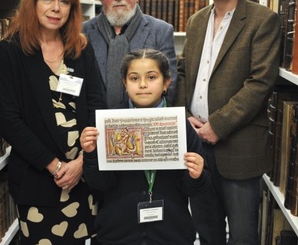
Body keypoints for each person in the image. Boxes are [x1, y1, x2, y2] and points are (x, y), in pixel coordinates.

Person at [175, 0, 281, 245]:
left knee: (243, 236)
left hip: (239, 148)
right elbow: (183, 73)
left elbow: (260, 83)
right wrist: (184, 116)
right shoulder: (196, 22)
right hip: (197, 146)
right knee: (207, 232)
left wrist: (216, 126)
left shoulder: (263, 20)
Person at [0, 0, 105, 245]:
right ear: (33, 2)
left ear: (72, 8)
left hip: (82, 181)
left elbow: (96, 106)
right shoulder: (11, 50)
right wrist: (56, 167)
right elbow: (10, 120)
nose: (56, 8)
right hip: (38, 182)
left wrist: (81, 163)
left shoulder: (80, 48)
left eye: (64, 1)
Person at [80, 49, 210, 245]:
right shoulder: (110, 122)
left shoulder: (180, 125)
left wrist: (197, 174)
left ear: (166, 82)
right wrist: (90, 154)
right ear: (124, 83)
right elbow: (101, 183)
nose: (142, 85)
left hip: (171, 234)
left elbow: (192, 188)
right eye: (134, 78)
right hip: (118, 234)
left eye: (151, 77)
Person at [82, 0, 178, 108]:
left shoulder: (161, 31)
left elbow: (169, 87)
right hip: (95, 127)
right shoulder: (83, 33)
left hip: (145, 124)